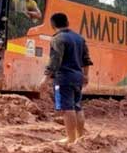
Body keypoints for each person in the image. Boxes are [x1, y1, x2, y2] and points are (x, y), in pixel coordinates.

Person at [38, 12, 93, 145]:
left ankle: (71, 138)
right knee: (78, 107)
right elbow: (86, 59)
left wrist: (45, 79)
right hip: (78, 77)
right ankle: (80, 137)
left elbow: (55, 59)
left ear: (52, 24)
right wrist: (86, 75)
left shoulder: (58, 38)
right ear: (67, 22)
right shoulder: (79, 38)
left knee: (67, 109)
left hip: (64, 78)